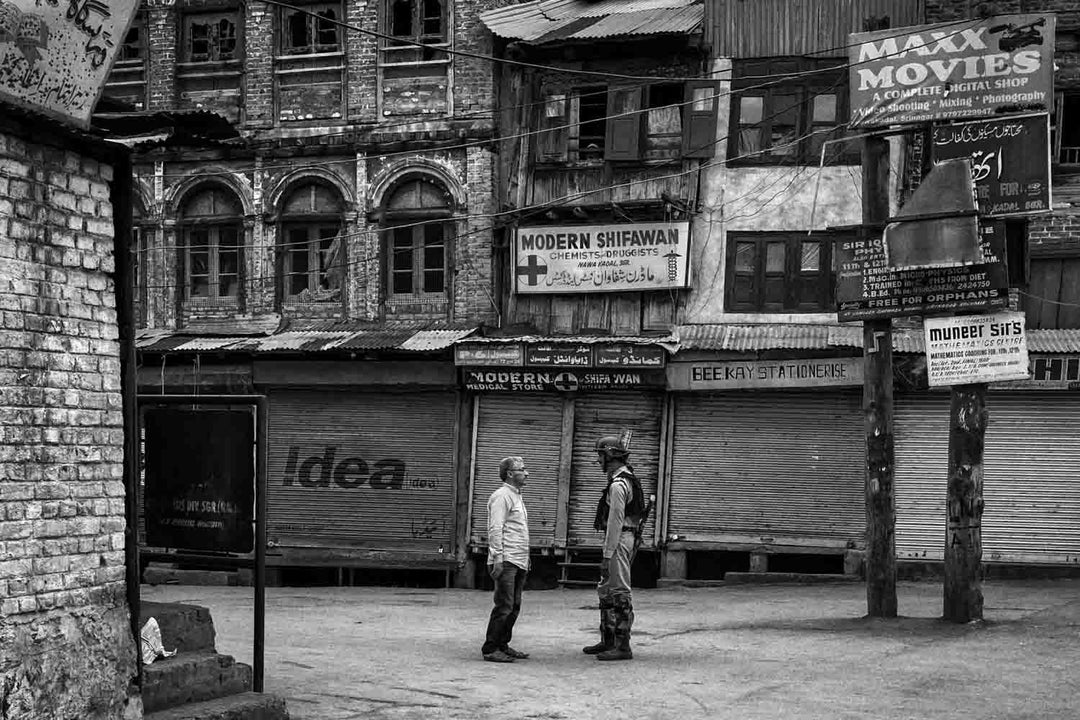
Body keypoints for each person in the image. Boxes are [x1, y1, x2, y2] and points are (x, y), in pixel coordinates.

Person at [583, 435, 644, 661]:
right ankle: (608, 640)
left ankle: (622, 645)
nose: (598, 461)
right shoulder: (623, 479)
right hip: (620, 539)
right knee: (606, 588)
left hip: (618, 540)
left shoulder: (619, 485)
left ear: (609, 456)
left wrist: (607, 555)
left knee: (619, 590)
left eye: (600, 456)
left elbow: (616, 522)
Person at [481, 456, 531, 663]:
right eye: (522, 469)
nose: (526, 473)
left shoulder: (516, 496)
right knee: (504, 605)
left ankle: (502, 644)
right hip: (507, 559)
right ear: (510, 474)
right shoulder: (502, 496)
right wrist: (498, 558)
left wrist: (527, 559)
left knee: (514, 605)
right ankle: (490, 648)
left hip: (519, 559)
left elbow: (518, 530)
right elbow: (495, 528)